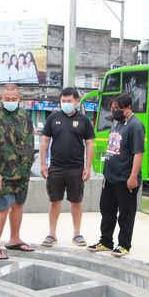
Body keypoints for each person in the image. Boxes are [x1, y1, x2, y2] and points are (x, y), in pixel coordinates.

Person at [0, 84, 35, 259]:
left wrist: (28, 168)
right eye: (7, 99)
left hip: (22, 173)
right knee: (2, 208)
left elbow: (29, 143)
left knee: (18, 205)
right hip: (2, 173)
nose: (10, 102)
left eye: (14, 99)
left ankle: (14, 239)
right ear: (1, 99)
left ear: (20, 98)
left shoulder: (24, 116)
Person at [87, 93, 145, 257]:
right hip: (110, 177)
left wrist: (133, 177)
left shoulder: (136, 126)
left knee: (126, 214)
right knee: (107, 211)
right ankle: (106, 241)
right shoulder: (116, 123)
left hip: (125, 179)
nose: (114, 112)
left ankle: (124, 244)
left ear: (128, 108)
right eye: (112, 109)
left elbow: (138, 153)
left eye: (117, 109)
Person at [40, 87, 94, 247]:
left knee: (76, 201)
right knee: (54, 200)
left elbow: (89, 144)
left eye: (69, 101)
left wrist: (87, 167)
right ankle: (51, 234)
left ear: (76, 101)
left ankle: (77, 234)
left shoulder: (84, 120)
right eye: (63, 101)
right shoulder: (53, 118)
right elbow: (45, 141)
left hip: (76, 168)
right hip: (56, 167)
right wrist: (43, 164)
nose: (66, 104)